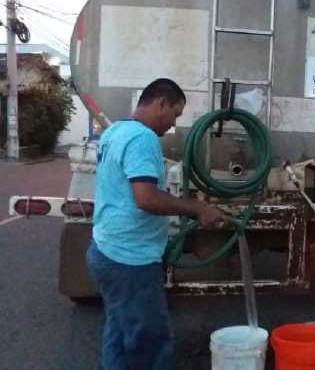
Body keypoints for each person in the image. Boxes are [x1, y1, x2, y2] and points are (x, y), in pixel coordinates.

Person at [85, 78, 225, 369]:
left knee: (120, 331)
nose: (172, 124)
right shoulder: (142, 138)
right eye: (174, 113)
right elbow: (146, 198)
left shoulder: (115, 130)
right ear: (160, 103)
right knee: (150, 341)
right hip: (129, 259)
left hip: (105, 249)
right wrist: (197, 208)